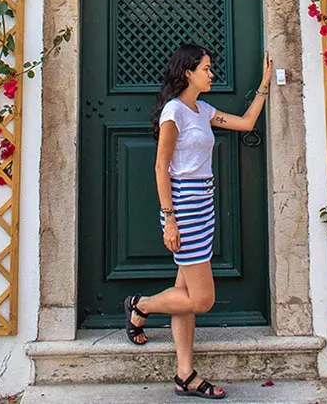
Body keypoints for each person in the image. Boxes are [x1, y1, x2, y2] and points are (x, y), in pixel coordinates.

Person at [124, 43, 273, 399]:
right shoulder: (173, 113)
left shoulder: (201, 109)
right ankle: (139, 305)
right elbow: (161, 167)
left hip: (203, 205)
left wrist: (265, 83)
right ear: (188, 72)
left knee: (187, 295)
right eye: (206, 68)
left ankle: (185, 374)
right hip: (183, 209)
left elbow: (246, 123)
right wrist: (169, 219)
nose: (212, 74)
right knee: (202, 300)